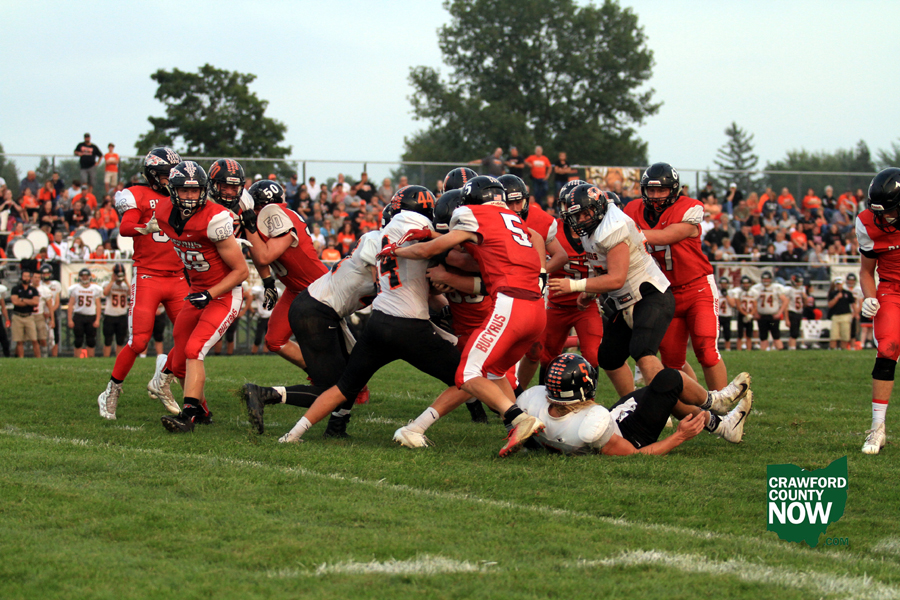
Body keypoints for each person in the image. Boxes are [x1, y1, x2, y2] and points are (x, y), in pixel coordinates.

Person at [384, 177, 549, 456]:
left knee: (467, 374)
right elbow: (507, 242)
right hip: (536, 308)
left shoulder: (473, 214)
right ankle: (523, 433)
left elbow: (433, 251)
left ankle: (519, 419)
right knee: (495, 373)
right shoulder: (513, 219)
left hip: (509, 305)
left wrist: (394, 250)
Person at [240, 206, 384, 437]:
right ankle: (269, 394)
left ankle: (336, 423)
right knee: (337, 385)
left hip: (313, 294)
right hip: (315, 300)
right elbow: (262, 255)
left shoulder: (279, 221)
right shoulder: (375, 259)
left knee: (344, 375)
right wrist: (267, 281)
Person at [153, 160, 249, 433]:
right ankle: (203, 412)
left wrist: (210, 293)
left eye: (195, 190)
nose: (190, 196)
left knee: (195, 349)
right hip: (197, 292)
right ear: (173, 190)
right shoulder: (163, 212)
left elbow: (241, 271)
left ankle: (189, 416)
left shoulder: (215, 219)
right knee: (179, 361)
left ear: (204, 190)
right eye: (184, 190)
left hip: (223, 294)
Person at [550, 184, 673, 397]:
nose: (580, 220)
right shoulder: (593, 230)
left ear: (598, 208)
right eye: (576, 216)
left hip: (648, 293)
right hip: (626, 300)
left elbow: (616, 278)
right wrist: (589, 293)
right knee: (609, 357)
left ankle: (675, 404)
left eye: (585, 213)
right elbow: (603, 269)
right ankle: (632, 402)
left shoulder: (612, 226)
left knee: (643, 353)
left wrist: (575, 285)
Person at [96, 147, 187, 421]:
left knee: (191, 339)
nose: (172, 178)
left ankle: (167, 378)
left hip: (179, 276)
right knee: (138, 341)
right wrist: (143, 227)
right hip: (148, 275)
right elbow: (125, 228)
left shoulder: (184, 195)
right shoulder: (136, 194)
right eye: (166, 174)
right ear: (152, 175)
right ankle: (111, 390)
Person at [516, 354, 753, 455]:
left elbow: (527, 438)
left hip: (611, 422)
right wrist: (679, 436)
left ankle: (724, 426)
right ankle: (716, 402)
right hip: (630, 436)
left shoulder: (534, 404)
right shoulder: (590, 425)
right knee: (669, 379)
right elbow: (635, 455)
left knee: (659, 392)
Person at [624, 163, 728, 391]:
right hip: (665, 294)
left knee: (707, 352)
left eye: (661, 190)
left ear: (674, 190)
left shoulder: (690, 207)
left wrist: (625, 233)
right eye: (651, 190)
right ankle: (698, 404)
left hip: (697, 288)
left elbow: (665, 236)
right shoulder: (632, 209)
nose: (655, 195)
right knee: (672, 363)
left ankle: (724, 406)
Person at [241, 179, 328, 367]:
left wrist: (249, 227)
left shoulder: (282, 219)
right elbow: (256, 251)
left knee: (326, 344)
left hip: (319, 289)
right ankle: (317, 373)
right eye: (256, 209)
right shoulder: (266, 221)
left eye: (260, 208)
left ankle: (337, 379)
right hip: (294, 289)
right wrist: (268, 282)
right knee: (274, 340)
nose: (257, 213)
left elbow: (264, 257)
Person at [857, 167, 900, 454]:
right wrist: (870, 297)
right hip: (892, 289)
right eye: (879, 212)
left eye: (891, 212)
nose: (884, 218)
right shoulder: (867, 223)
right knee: (887, 347)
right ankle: (877, 429)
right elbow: (866, 270)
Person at [67, 268, 102, 358]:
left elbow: (98, 305)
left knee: (91, 340)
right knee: (78, 339)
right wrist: (70, 319)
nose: (85, 278)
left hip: (91, 316)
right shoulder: (75, 288)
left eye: (86, 276)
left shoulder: (95, 289)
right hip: (79, 315)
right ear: (80, 277)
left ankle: (90, 358)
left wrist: (97, 319)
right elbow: (70, 304)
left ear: (90, 277)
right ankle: (77, 358)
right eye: (83, 276)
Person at [751, 271, 788, 351]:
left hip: (773, 316)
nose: (766, 280)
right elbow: (752, 301)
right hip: (762, 315)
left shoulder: (776, 287)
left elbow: (785, 301)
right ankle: (763, 352)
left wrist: (779, 313)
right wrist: (755, 313)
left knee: (776, 335)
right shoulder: (756, 288)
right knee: (763, 336)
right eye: (764, 279)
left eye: (767, 279)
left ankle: (780, 351)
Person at [10, 268, 40, 358]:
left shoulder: (33, 290)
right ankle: (21, 358)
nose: (26, 278)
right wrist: (29, 301)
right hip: (18, 316)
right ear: (21, 277)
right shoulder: (16, 289)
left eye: (28, 276)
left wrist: (23, 299)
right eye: (24, 276)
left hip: (29, 316)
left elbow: (35, 302)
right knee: (19, 340)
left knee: (34, 339)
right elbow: (15, 302)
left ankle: (38, 358)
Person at [827, 277, 854, 350]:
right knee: (834, 335)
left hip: (845, 315)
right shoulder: (832, 293)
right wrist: (836, 298)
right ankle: (832, 348)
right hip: (835, 315)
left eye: (840, 284)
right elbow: (830, 305)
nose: (838, 286)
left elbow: (853, 303)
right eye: (837, 284)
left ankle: (843, 348)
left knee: (845, 334)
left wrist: (855, 313)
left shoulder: (848, 293)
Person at [785, 274, 807, 350]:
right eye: (798, 282)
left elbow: (805, 303)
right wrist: (786, 318)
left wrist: (805, 298)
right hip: (792, 311)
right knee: (793, 333)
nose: (799, 283)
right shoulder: (789, 290)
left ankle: (792, 347)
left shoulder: (802, 289)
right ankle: (792, 347)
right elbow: (786, 305)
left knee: (796, 332)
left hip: (799, 312)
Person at [717, 276, 734, 351]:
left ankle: (727, 348)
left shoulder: (730, 293)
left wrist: (726, 295)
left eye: (725, 284)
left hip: (727, 315)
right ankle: (716, 348)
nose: (723, 285)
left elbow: (732, 304)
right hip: (718, 315)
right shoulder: (716, 292)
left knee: (727, 334)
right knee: (717, 333)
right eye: (722, 284)